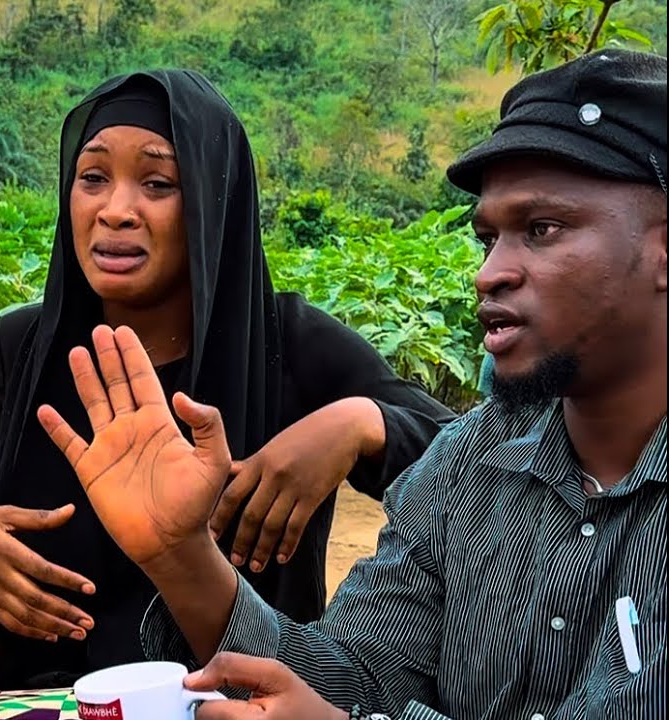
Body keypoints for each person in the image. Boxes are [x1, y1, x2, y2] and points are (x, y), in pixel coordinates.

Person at [40, 49, 667, 720]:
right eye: (488, 237)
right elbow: (355, 678)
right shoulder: (467, 467)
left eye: (542, 230)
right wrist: (182, 555)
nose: (491, 273)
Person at [0, 69, 454, 691]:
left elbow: (472, 463)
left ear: (216, 204)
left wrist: (358, 422)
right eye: (93, 179)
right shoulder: (22, 345)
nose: (116, 211)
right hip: (31, 698)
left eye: (157, 183)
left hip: (231, 700)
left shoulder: (290, 343)